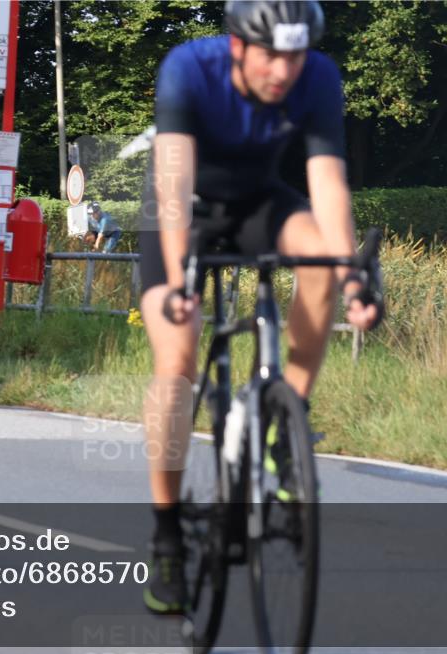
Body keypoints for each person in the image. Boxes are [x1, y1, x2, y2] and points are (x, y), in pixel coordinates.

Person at [138, 0, 382, 615]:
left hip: (260, 203)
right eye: (272, 54)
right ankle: (167, 535)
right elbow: (171, 183)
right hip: (183, 208)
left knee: (322, 265)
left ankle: (286, 420)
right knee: (177, 359)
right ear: (238, 48)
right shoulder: (189, 69)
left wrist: (353, 274)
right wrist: (178, 280)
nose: (285, 70)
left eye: (296, 54)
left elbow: (327, 184)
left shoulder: (319, 78)